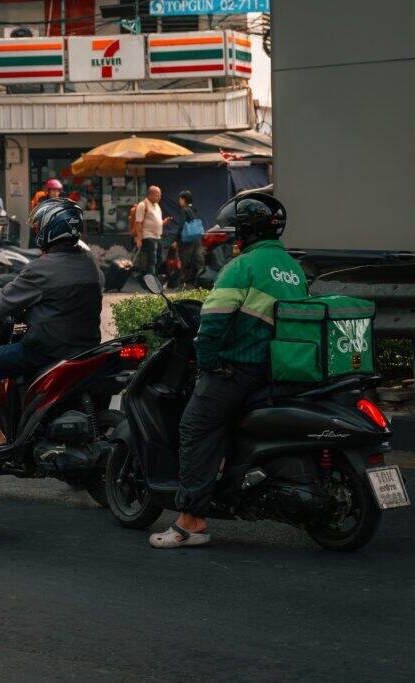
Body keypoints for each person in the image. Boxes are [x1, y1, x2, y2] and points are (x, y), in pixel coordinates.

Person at [149, 191, 308, 549]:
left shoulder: (241, 267)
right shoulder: (292, 267)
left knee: (194, 426)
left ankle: (191, 521)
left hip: (241, 367)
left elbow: (215, 323)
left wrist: (206, 362)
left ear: (246, 233)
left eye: (236, 232)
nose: (233, 239)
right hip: (279, 368)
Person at [0, 198, 103, 448]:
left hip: (45, 350)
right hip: (86, 348)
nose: (36, 231)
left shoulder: (42, 267)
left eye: (39, 226)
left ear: (51, 229)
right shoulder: (89, 263)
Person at [132, 185, 172, 278]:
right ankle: (150, 280)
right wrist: (139, 239)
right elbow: (138, 222)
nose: (159, 197)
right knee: (152, 260)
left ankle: (148, 277)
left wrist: (163, 222)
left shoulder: (157, 206)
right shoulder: (143, 205)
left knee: (160, 259)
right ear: (150, 195)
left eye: (160, 195)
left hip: (158, 237)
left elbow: (155, 221)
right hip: (148, 236)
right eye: (157, 195)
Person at [176, 190, 205, 287]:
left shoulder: (184, 210)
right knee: (198, 260)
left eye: (180, 199)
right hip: (196, 238)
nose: (179, 201)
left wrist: (176, 240)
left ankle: (181, 283)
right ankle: (201, 280)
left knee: (183, 260)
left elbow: (181, 226)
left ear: (184, 200)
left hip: (186, 239)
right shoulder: (195, 209)